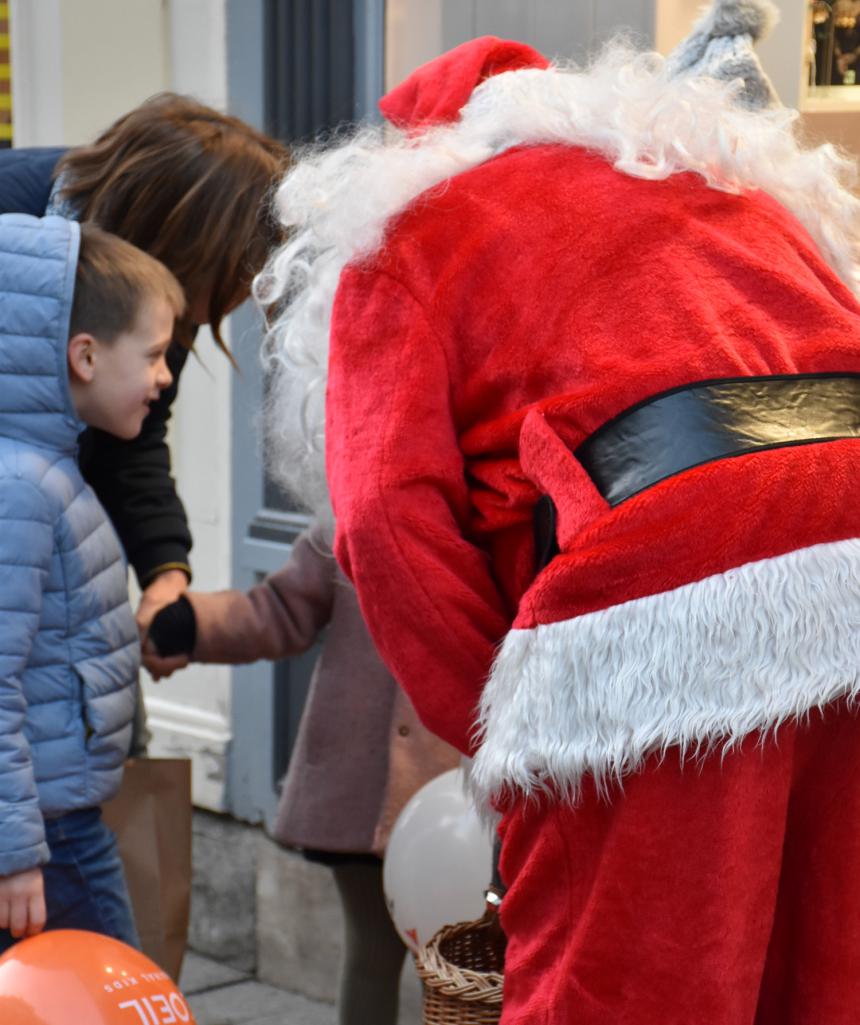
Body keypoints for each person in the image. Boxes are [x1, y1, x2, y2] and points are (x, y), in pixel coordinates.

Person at [257, 1, 860, 1022]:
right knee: (825, 960)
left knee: (627, 977)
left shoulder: (406, 233)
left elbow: (386, 527)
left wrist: (496, 727)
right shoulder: (717, 185)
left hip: (653, 578)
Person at [0, 94, 288, 689]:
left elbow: (132, 441)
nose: (238, 299)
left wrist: (164, 568)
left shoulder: (150, 277)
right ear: (180, 242)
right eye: (236, 274)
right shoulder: (15, 224)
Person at [146, 518, 458, 1025]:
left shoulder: (502, 513)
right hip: (362, 789)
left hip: (459, 795)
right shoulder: (350, 519)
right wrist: (193, 624)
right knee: (376, 953)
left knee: (460, 967)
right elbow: (279, 610)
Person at [0, 214, 185, 951]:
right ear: (83, 355)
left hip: (49, 820)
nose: (165, 378)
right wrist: (15, 854)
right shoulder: (22, 487)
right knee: (117, 993)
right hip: (48, 833)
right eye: (154, 355)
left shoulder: (41, 472)